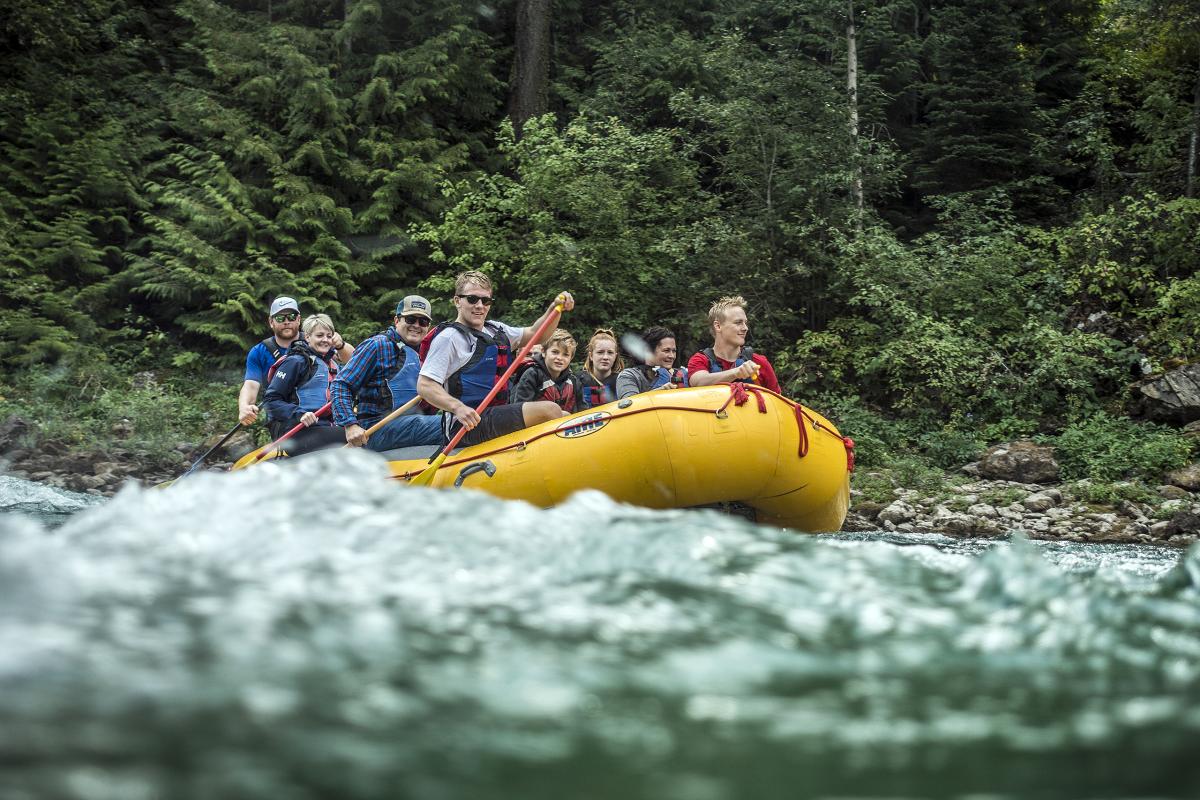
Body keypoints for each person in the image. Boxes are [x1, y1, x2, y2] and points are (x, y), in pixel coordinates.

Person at [417, 270, 574, 446]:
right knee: (550, 410)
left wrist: (555, 309)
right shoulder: (449, 338)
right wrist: (458, 407)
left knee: (566, 416)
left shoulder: (496, 330)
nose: (479, 305)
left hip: (494, 414)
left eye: (486, 301)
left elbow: (536, 334)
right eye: (472, 299)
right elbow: (425, 385)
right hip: (465, 426)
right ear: (457, 301)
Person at [331, 296, 444, 451]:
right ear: (397, 320)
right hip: (376, 428)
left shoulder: (426, 354)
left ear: (428, 326)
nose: (416, 326)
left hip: (412, 423)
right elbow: (341, 384)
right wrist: (350, 425)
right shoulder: (378, 345)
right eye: (410, 319)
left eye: (423, 322)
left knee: (450, 419)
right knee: (451, 425)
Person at [238, 296, 352, 425]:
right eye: (280, 318)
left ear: (298, 319)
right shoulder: (259, 351)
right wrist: (244, 407)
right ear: (271, 322)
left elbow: (352, 361)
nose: (286, 322)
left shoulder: (317, 339)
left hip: (320, 418)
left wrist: (340, 345)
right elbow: (251, 385)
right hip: (283, 417)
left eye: (291, 317)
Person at [261, 314, 347, 456]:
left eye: (328, 336)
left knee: (360, 429)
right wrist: (299, 414)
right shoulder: (296, 362)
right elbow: (270, 401)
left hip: (324, 427)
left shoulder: (333, 365)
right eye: (319, 335)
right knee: (353, 436)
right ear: (307, 337)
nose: (325, 340)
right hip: (296, 431)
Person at [686, 295, 781, 393]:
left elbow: (779, 403)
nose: (745, 328)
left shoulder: (759, 362)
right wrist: (736, 372)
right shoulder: (700, 360)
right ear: (718, 326)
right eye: (738, 322)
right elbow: (698, 382)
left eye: (745, 323)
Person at [511, 329, 583, 413]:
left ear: (571, 358)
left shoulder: (574, 381)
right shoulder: (532, 374)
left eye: (565, 354)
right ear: (543, 352)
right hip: (537, 425)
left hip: (566, 425)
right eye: (555, 352)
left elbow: (583, 411)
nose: (559, 358)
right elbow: (520, 411)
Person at [615, 326, 688, 399]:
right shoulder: (629, 376)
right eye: (666, 350)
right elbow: (629, 405)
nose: (672, 356)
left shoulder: (683, 375)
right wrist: (660, 391)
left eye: (674, 351)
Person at [577, 328, 624, 408]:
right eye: (600, 352)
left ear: (615, 356)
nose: (605, 357)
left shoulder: (623, 381)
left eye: (610, 353)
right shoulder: (577, 381)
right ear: (591, 355)